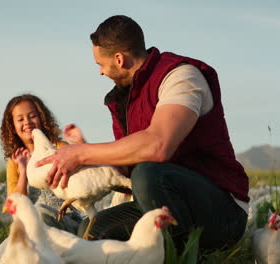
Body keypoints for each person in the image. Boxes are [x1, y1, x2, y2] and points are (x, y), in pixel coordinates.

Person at [36, 15, 249, 250]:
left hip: (220, 212)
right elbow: (126, 164)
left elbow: (158, 145)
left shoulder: (181, 77)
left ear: (119, 59)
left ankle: (178, 256)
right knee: (92, 231)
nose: (100, 72)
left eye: (99, 64)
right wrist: (80, 167)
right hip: (162, 202)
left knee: (148, 174)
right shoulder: (124, 99)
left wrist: (81, 153)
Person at [0, 93, 82, 233]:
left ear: (42, 119)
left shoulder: (60, 148)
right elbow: (15, 203)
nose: (27, 122)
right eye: (20, 119)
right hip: (34, 225)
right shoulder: (15, 161)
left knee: (39, 213)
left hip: (66, 219)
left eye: (32, 116)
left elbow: (80, 182)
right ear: (12, 127)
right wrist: (24, 171)